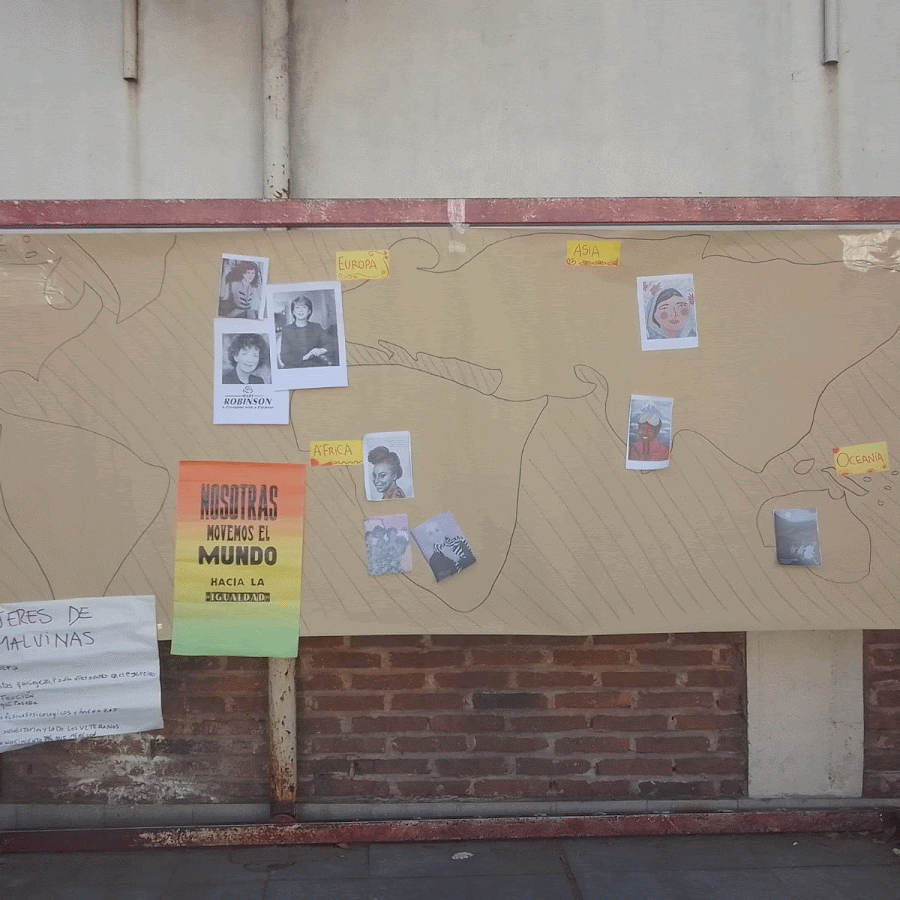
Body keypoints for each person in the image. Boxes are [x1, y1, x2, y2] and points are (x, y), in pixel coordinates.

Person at [278, 295, 337, 368]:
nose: (300, 310)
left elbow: (331, 343)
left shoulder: (316, 327)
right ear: (293, 312)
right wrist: (304, 357)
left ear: (309, 311)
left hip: (313, 366)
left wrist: (321, 350)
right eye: (297, 307)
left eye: (304, 307)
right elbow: (284, 357)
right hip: (293, 367)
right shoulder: (287, 330)